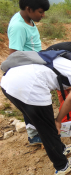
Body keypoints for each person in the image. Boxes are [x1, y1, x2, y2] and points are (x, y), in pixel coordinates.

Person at [1, 52, 71, 175]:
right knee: (48, 129)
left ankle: (60, 148)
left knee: (43, 123)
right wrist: (58, 120)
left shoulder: (68, 64)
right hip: (30, 87)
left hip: (8, 83)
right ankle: (62, 166)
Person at [7, 0, 50, 145]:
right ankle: (33, 136)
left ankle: (37, 131)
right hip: (26, 71)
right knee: (30, 104)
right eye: (40, 12)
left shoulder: (28, 19)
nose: (43, 15)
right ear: (28, 8)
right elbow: (14, 56)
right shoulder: (18, 26)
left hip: (33, 65)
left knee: (35, 103)